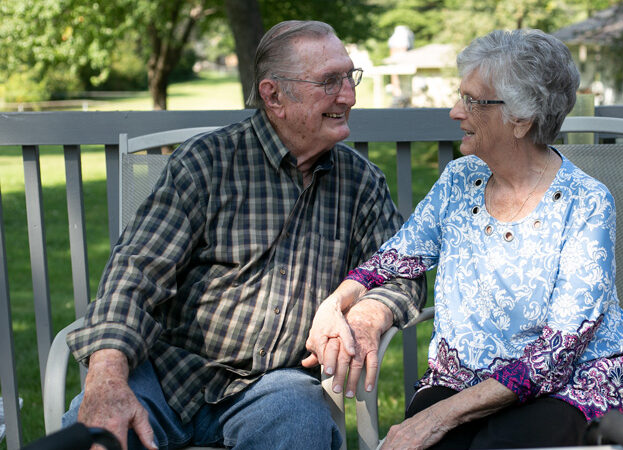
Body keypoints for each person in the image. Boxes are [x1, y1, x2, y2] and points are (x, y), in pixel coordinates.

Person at [63, 20, 425, 450]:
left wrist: (367, 315)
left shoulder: (360, 182)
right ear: (274, 96)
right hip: (167, 375)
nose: (347, 95)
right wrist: (106, 374)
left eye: (349, 77)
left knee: (299, 427)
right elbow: (135, 273)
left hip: (273, 387)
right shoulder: (206, 163)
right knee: (97, 437)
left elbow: (402, 272)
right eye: (329, 81)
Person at [308, 29, 623, 449]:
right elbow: (395, 259)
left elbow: (554, 356)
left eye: (471, 100)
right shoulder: (459, 180)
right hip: (463, 377)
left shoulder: (586, 203)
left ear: (521, 117)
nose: (453, 111)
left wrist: (436, 418)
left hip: (570, 385)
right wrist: (335, 304)